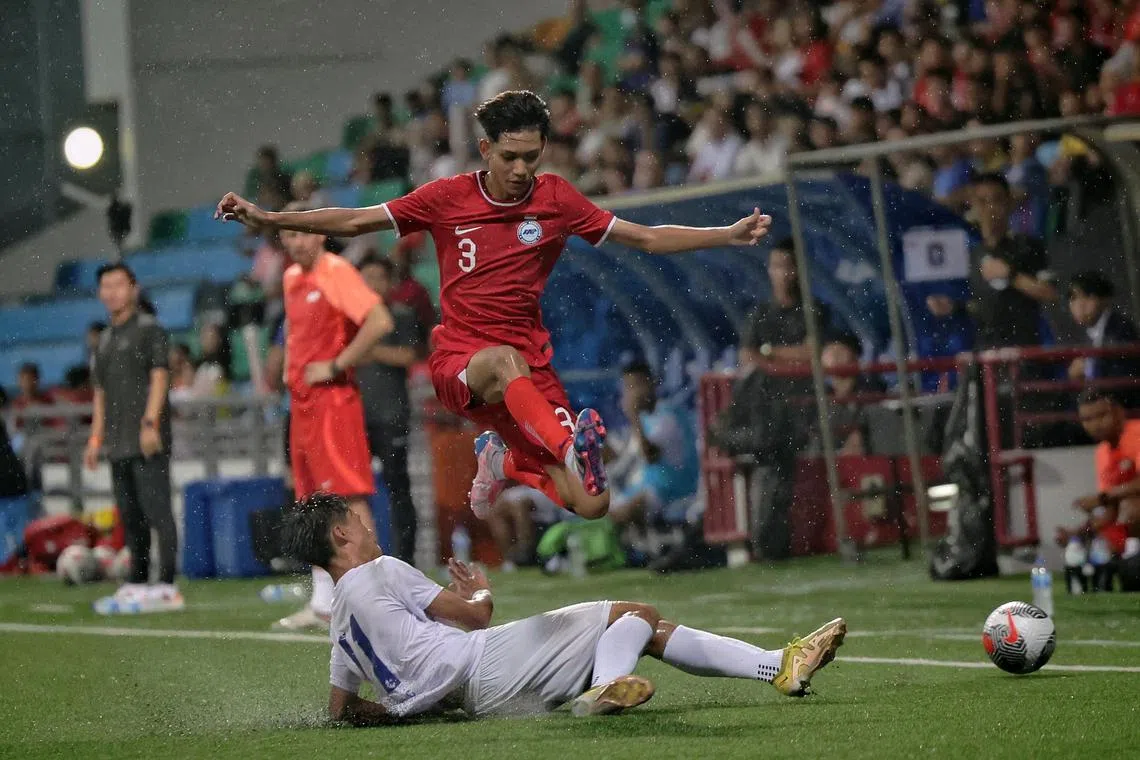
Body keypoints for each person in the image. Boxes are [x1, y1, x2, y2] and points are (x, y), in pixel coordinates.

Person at [216, 90, 771, 526]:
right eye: (510, 156)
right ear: (486, 150)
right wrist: (270, 220)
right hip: (463, 360)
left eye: (532, 157)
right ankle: (568, 447)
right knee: (505, 362)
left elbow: (645, 238)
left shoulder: (556, 198)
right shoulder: (445, 197)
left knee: (593, 505)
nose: (522, 168)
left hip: (530, 368)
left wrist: (724, 234)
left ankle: (502, 461)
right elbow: (356, 220)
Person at [278, 491, 846, 723]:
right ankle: (606, 686)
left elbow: (342, 709)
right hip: (486, 661)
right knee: (636, 611)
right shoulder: (380, 569)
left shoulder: (339, 625)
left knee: (645, 628)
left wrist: (414, 711)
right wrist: (480, 588)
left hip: (477, 702)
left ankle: (780, 664)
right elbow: (477, 616)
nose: (365, 522)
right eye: (355, 518)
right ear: (339, 534)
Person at [269, 202, 396, 631]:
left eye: (304, 231)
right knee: (310, 504)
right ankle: (325, 604)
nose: (297, 240)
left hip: (334, 402)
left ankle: (378, 597)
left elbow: (379, 321)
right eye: (289, 234)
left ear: (321, 233)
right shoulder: (291, 278)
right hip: (302, 405)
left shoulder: (336, 271)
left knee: (349, 497)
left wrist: (338, 363)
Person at [85, 263, 183, 614]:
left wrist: (150, 423)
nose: (111, 291)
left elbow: (159, 377)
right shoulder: (105, 338)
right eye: (105, 285)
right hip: (117, 441)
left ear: (134, 288)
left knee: (158, 511)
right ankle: (138, 581)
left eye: (118, 284)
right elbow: (100, 393)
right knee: (130, 515)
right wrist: (96, 438)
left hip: (145, 438)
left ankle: (169, 585)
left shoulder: (149, 329)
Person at [356, 254, 423, 563]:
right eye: (366, 277)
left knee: (398, 490)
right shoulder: (350, 317)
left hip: (391, 416)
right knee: (354, 493)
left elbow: (408, 356)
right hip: (355, 418)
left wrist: (368, 349)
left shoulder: (402, 315)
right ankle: (361, 559)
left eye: (378, 278)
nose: (372, 284)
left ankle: (404, 560)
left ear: (390, 283)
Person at [608, 360, 699, 528]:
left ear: (652, 383)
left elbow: (650, 456)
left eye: (638, 385)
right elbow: (622, 457)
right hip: (648, 485)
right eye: (628, 387)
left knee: (620, 514)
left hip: (675, 487)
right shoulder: (645, 418)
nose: (634, 393)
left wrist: (633, 416)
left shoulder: (667, 416)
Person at [1066, 271, 1140, 388]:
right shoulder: (1089, 334)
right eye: (1074, 298)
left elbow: (1122, 374)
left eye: (1087, 296)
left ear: (1105, 299)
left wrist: (1088, 368)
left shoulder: (1120, 328)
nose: (1079, 305)